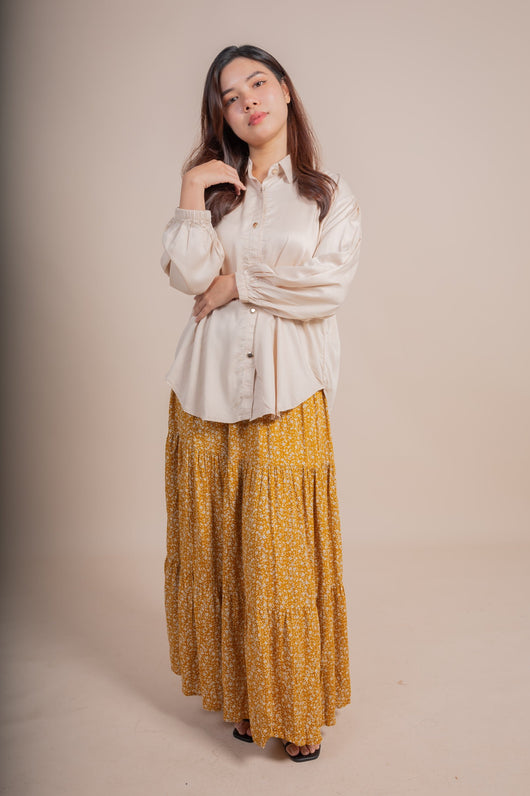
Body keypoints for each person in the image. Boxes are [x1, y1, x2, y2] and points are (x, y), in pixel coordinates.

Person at [160, 43, 362, 762]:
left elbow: (326, 288)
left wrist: (239, 284)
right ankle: (246, 701)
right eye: (230, 94)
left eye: (257, 82)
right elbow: (189, 276)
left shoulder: (326, 195)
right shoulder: (214, 191)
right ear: (221, 114)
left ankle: (296, 711)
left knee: (281, 559)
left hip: (287, 395)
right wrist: (192, 189)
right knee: (223, 555)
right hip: (205, 394)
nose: (247, 98)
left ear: (284, 90)